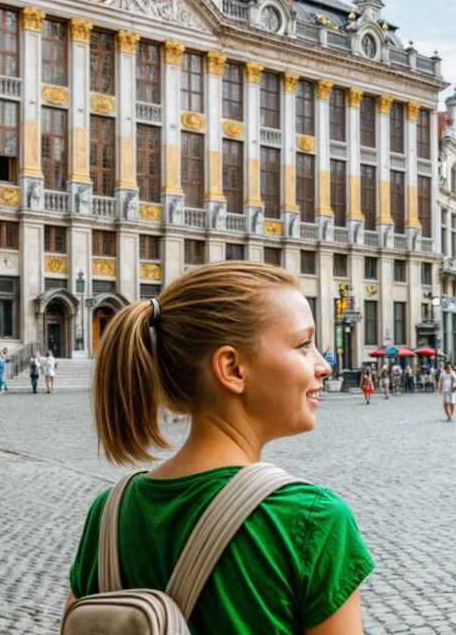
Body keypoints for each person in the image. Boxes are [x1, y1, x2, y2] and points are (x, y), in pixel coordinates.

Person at [66, 261, 371, 634]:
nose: (323, 365)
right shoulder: (312, 520)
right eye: (303, 345)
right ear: (232, 369)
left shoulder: (108, 514)